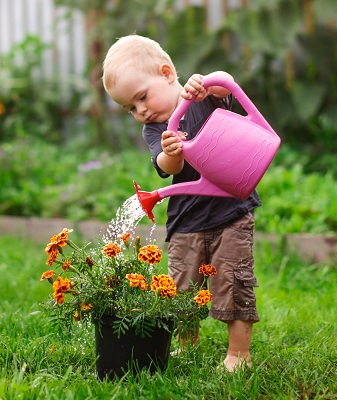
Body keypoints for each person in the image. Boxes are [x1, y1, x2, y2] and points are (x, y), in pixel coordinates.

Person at [101, 34, 261, 372]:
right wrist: (170, 152)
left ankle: (238, 355)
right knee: (182, 288)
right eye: (130, 107)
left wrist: (206, 84)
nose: (140, 110)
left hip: (230, 211)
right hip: (186, 219)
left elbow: (227, 85)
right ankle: (189, 345)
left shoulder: (202, 97)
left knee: (234, 280)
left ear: (167, 73)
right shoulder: (157, 129)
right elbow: (164, 166)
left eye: (141, 97)